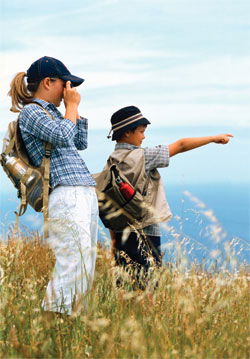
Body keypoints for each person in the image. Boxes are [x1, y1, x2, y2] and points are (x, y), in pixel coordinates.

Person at [103, 105, 233, 288]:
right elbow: (180, 145)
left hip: (120, 233)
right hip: (146, 232)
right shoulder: (143, 156)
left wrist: (114, 240)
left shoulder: (111, 163)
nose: (144, 136)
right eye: (141, 131)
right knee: (148, 287)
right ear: (127, 133)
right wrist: (213, 138)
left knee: (126, 287)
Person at [8, 56, 98, 315]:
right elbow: (62, 135)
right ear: (48, 82)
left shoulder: (53, 112)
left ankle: (74, 320)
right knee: (73, 260)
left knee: (85, 262)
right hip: (64, 191)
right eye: (65, 84)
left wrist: (72, 108)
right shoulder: (31, 112)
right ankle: (53, 321)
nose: (69, 90)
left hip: (80, 190)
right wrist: (70, 107)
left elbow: (79, 141)